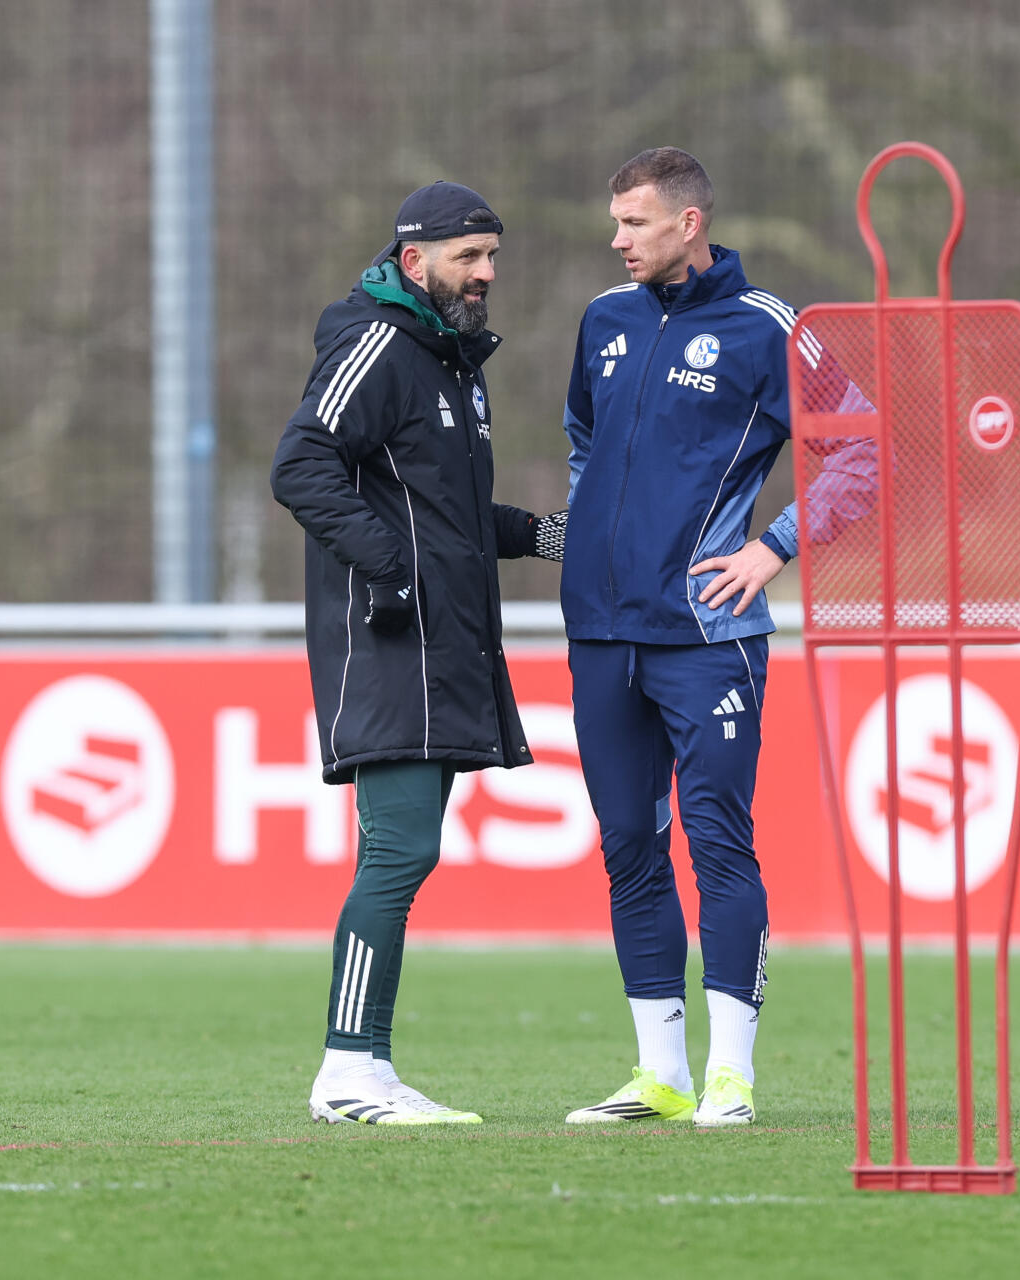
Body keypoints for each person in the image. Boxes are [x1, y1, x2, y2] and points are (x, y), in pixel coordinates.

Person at [558, 147, 874, 1128]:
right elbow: (585, 443)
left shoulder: (764, 325)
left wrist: (772, 548)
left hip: (706, 639)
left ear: (689, 222)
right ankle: (661, 1072)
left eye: (636, 223)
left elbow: (862, 448)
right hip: (602, 634)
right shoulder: (604, 322)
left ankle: (732, 1074)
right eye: (615, 223)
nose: (617, 241)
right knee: (628, 845)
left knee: (719, 843)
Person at [271, 181, 561, 1127]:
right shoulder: (376, 344)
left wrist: (555, 535)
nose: (485, 275)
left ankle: (368, 1067)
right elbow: (301, 465)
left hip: (444, 650)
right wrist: (391, 572)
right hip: (388, 645)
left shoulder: (449, 363)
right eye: (468, 258)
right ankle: (347, 1072)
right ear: (414, 261)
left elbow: (450, 519)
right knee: (397, 853)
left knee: (410, 851)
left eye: (492, 258)